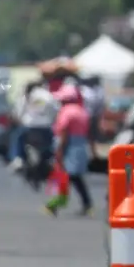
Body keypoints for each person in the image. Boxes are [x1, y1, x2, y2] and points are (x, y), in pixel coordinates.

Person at [45, 84, 94, 216]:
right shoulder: (82, 111)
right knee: (74, 177)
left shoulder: (66, 112)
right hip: (80, 145)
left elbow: (64, 133)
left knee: (63, 176)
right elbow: (89, 133)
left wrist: (60, 151)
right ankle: (85, 203)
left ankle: (55, 203)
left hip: (68, 146)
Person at [7, 79, 60, 176]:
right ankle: (52, 159)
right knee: (52, 141)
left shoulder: (25, 96)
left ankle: (17, 158)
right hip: (45, 126)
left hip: (29, 125)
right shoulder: (48, 95)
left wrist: (20, 121)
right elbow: (56, 110)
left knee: (17, 137)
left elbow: (18, 113)